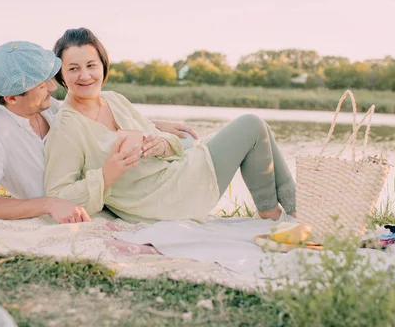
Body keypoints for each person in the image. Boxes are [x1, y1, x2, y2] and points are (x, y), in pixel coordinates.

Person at [44, 28, 296, 223]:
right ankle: (278, 214)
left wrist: (160, 145)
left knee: (258, 129)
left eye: (91, 65)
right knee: (251, 126)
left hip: (174, 175)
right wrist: (107, 174)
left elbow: (168, 146)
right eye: (73, 68)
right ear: (61, 75)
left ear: (103, 66)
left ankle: (288, 211)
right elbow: (58, 196)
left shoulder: (115, 100)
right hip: (163, 200)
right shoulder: (67, 128)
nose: (85, 75)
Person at [0, 41, 197, 224]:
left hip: (96, 195)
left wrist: (155, 125)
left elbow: (88, 119)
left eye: (48, 80)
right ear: (11, 98)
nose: (53, 87)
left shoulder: (46, 108)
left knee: (190, 145)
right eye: (41, 86)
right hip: (68, 198)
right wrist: (49, 204)